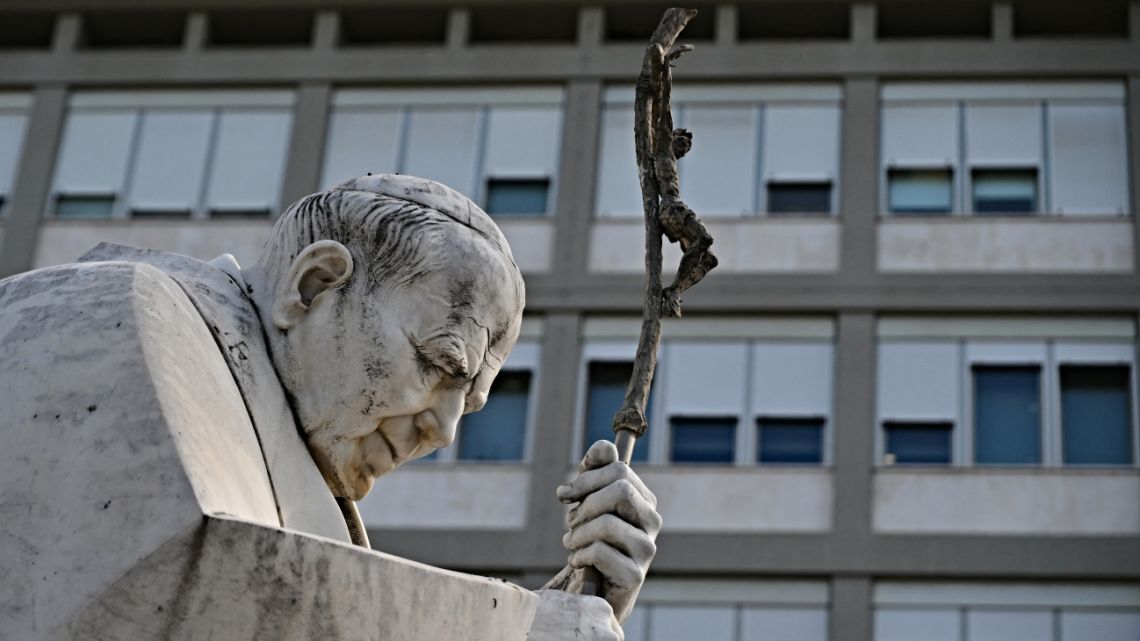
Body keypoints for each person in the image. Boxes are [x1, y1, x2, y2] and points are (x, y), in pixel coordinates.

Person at [0, 174, 660, 641]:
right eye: (438, 363)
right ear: (313, 285)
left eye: (472, 400)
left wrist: (569, 603)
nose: (445, 427)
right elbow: (169, 582)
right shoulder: (110, 311)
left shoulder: (319, 501)